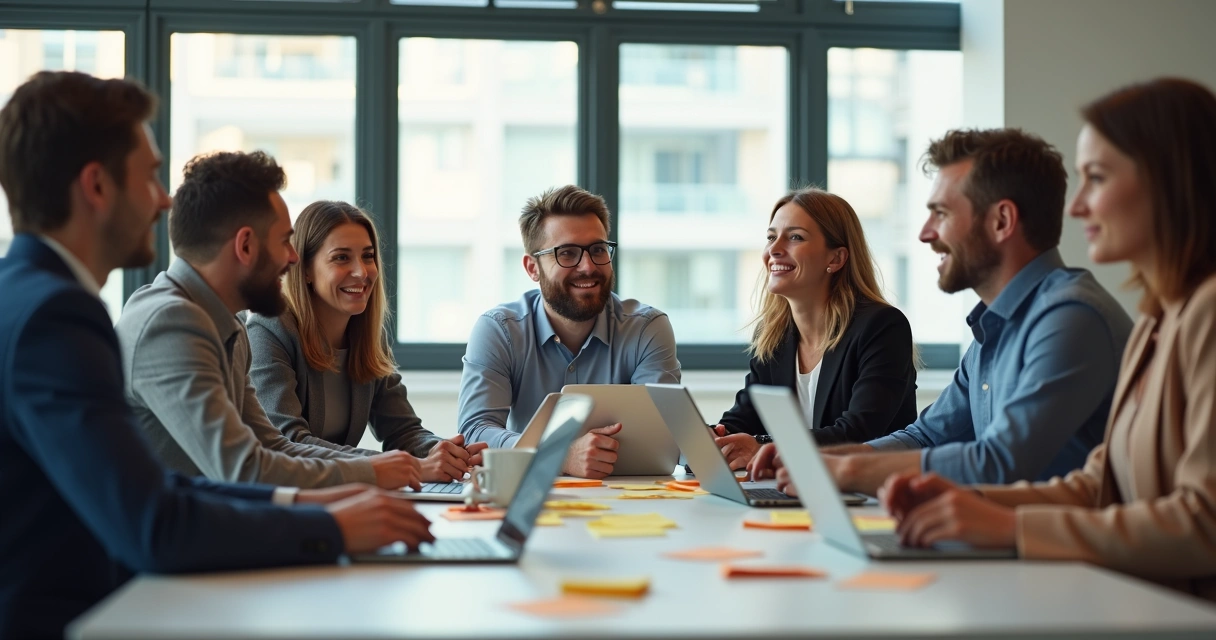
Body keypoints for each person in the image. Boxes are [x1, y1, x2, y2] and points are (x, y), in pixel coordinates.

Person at [0, 71, 432, 639]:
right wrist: (327, 522)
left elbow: (171, 484)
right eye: (150, 175)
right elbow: (155, 520)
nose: (162, 199)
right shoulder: (67, 316)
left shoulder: (45, 297)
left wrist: (321, 496)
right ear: (97, 187)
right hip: (77, 615)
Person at [881, 78, 1216, 602]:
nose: (1077, 207)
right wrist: (972, 503)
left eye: (1097, 179)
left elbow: (1205, 523)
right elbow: (1100, 482)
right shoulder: (1159, 317)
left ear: (1171, 184)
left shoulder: (1203, 314)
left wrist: (1008, 527)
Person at [751, 128, 1133, 496]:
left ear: (1001, 221)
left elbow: (1000, 463)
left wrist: (848, 470)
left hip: (1061, 554)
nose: (925, 233)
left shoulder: (1070, 318)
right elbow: (925, 436)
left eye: (941, 213)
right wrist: (812, 458)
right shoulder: (995, 329)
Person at [117, 151, 423, 490]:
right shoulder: (170, 323)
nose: (292, 258)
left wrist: (383, 471)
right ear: (246, 246)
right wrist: (373, 474)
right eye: (283, 242)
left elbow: (271, 446)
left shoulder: (226, 325)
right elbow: (244, 470)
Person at [247, 200, 487, 483]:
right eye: (341, 258)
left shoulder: (367, 336)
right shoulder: (268, 330)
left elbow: (403, 431)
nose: (361, 272)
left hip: (339, 496)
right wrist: (407, 466)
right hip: (285, 500)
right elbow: (289, 441)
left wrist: (446, 453)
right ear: (306, 268)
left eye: (368, 256)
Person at [457, 185, 680, 478]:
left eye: (598, 250)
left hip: (628, 500)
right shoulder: (500, 330)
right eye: (568, 253)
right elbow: (476, 434)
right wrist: (557, 455)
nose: (588, 266)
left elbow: (663, 436)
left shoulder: (646, 328)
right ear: (532, 268)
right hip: (532, 500)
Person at [711, 188, 917, 471]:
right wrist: (714, 437)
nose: (774, 250)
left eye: (795, 237)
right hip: (797, 488)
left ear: (835, 259)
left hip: (871, 495)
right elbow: (743, 418)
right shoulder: (774, 335)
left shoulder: (882, 327)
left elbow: (857, 435)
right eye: (771, 237)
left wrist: (761, 446)